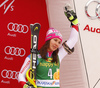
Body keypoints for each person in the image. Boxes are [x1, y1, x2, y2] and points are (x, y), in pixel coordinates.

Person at [18, 7, 79, 88]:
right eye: (55, 40)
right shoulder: (35, 56)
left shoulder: (58, 55)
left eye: (59, 42)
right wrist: (25, 86)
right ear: (48, 40)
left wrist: (75, 23)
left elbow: (74, 39)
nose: (57, 44)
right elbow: (20, 75)